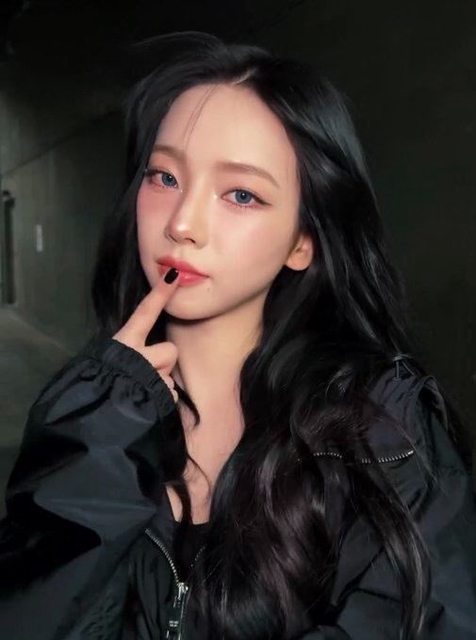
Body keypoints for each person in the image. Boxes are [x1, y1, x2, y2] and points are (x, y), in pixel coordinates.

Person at [0, 30, 475, 640]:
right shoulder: (87, 416)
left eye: (242, 195)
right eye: (164, 177)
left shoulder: (384, 426)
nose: (183, 223)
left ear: (303, 241)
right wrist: (91, 453)